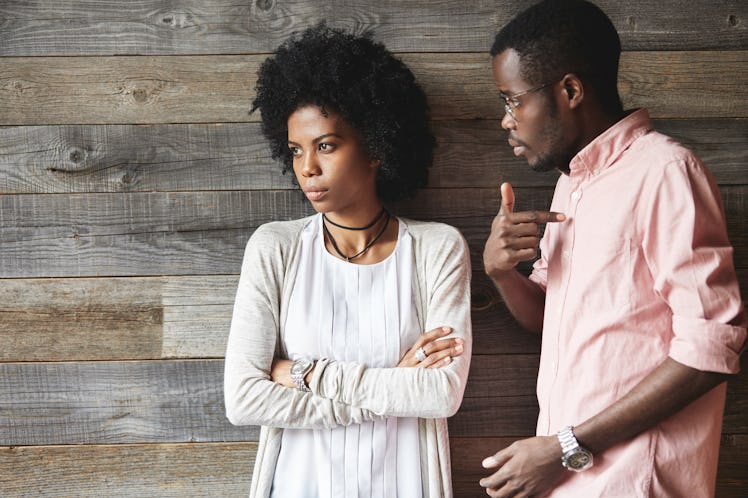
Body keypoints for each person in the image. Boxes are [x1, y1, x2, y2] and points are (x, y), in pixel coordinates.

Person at [479, 1, 746, 497]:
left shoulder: (665, 172)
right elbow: (549, 318)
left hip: (634, 483)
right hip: (570, 479)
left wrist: (564, 447)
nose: (506, 120)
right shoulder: (572, 186)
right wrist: (501, 272)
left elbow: (712, 347)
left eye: (513, 100)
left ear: (571, 90)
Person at [223, 24, 472, 498]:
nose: (307, 168)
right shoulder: (275, 247)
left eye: (326, 146)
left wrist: (305, 374)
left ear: (376, 147)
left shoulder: (437, 249)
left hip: (405, 483)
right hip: (298, 485)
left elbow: (441, 393)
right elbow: (243, 398)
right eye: (296, 150)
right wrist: (390, 392)